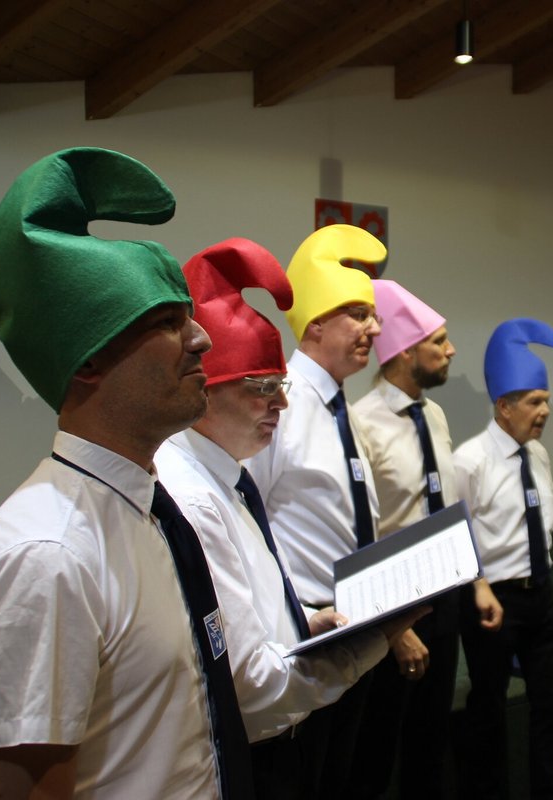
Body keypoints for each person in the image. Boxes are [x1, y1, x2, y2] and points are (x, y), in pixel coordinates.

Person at [0, 148, 251, 798]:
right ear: (87, 360)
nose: (201, 339)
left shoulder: (147, 510)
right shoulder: (45, 556)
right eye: (168, 322)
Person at [154, 239, 424, 798]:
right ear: (203, 391)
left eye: (279, 387)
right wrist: (368, 643)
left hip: (307, 640)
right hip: (265, 717)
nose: (281, 402)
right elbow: (248, 680)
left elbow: (253, 586)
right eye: (263, 388)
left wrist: (301, 619)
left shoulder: (228, 475)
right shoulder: (197, 495)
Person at [246, 223, 386, 798]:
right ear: (316, 324)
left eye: (373, 316)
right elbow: (245, 521)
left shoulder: (338, 407)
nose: (374, 328)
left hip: (354, 626)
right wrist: (293, 616)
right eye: (358, 314)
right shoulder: (278, 403)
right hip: (306, 633)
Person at [349, 280, 503, 799]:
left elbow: (448, 505)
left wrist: (475, 581)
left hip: (445, 596)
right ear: (405, 352)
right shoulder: (362, 424)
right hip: (393, 604)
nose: (451, 350)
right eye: (439, 341)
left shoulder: (433, 415)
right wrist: (393, 631)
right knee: (378, 749)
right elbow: (362, 535)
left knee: (430, 739)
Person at [453, 318, 553, 800]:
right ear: (504, 406)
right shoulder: (470, 461)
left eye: (546, 400)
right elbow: (455, 535)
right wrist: (478, 585)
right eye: (535, 402)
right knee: (488, 709)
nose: (545, 411)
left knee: (551, 705)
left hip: (542, 595)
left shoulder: (537, 455)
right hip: (492, 600)